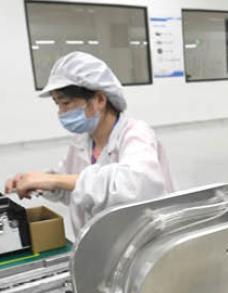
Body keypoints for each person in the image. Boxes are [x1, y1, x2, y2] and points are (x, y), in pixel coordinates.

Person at [4, 52, 174, 236]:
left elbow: (134, 187)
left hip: (140, 245)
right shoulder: (82, 142)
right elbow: (74, 189)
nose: (61, 112)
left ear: (100, 99)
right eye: (57, 104)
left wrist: (52, 179)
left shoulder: (136, 133)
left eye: (66, 103)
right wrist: (38, 182)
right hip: (99, 246)